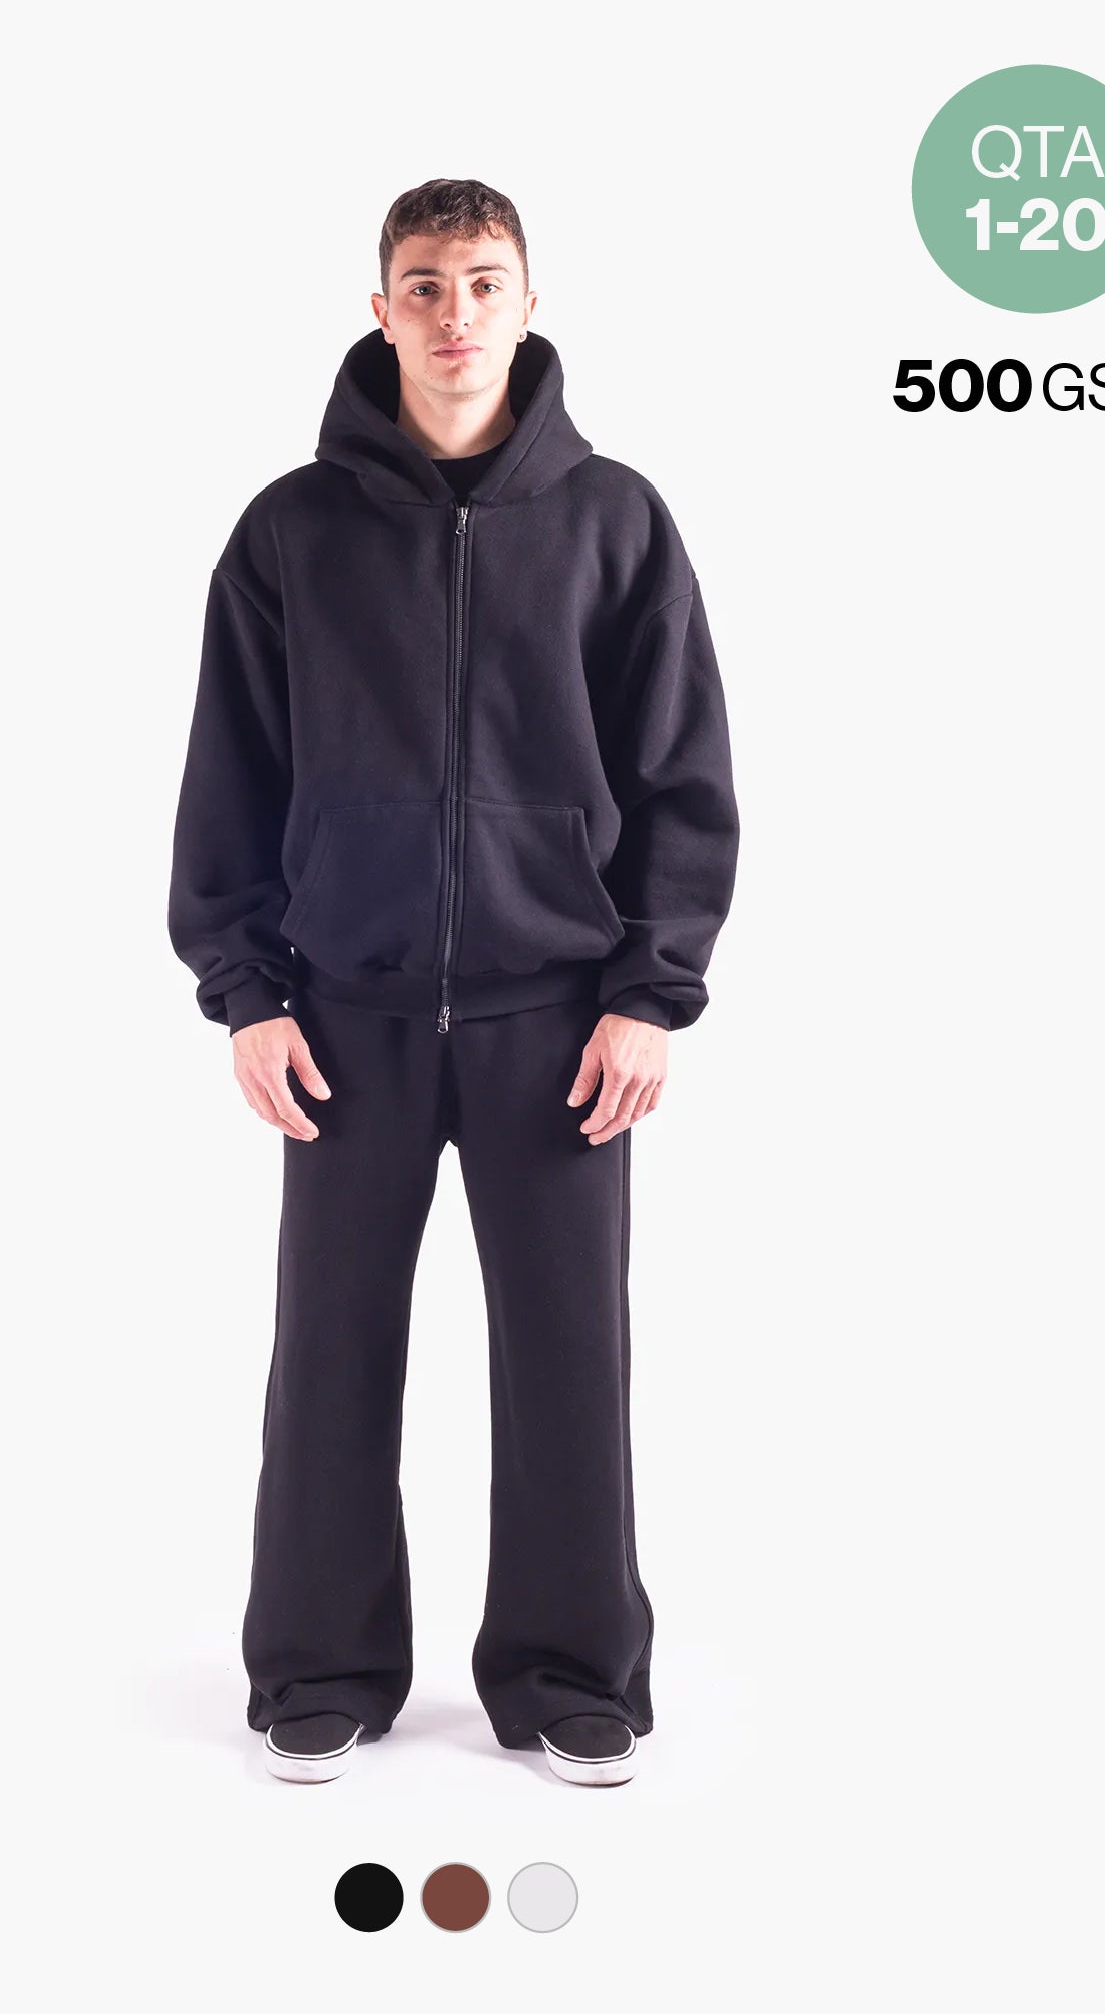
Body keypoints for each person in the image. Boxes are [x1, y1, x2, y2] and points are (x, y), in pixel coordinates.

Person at [168, 178, 739, 1788]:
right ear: (381, 310)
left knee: (568, 1357)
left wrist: (651, 988)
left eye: (483, 281)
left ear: (529, 302)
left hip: (558, 1016)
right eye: (424, 284)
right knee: (329, 1351)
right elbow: (231, 772)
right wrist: (246, 989)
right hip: (343, 1013)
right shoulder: (292, 530)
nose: (455, 313)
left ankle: (570, 1670)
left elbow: (683, 775)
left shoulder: (616, 520)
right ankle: (322, 1667)